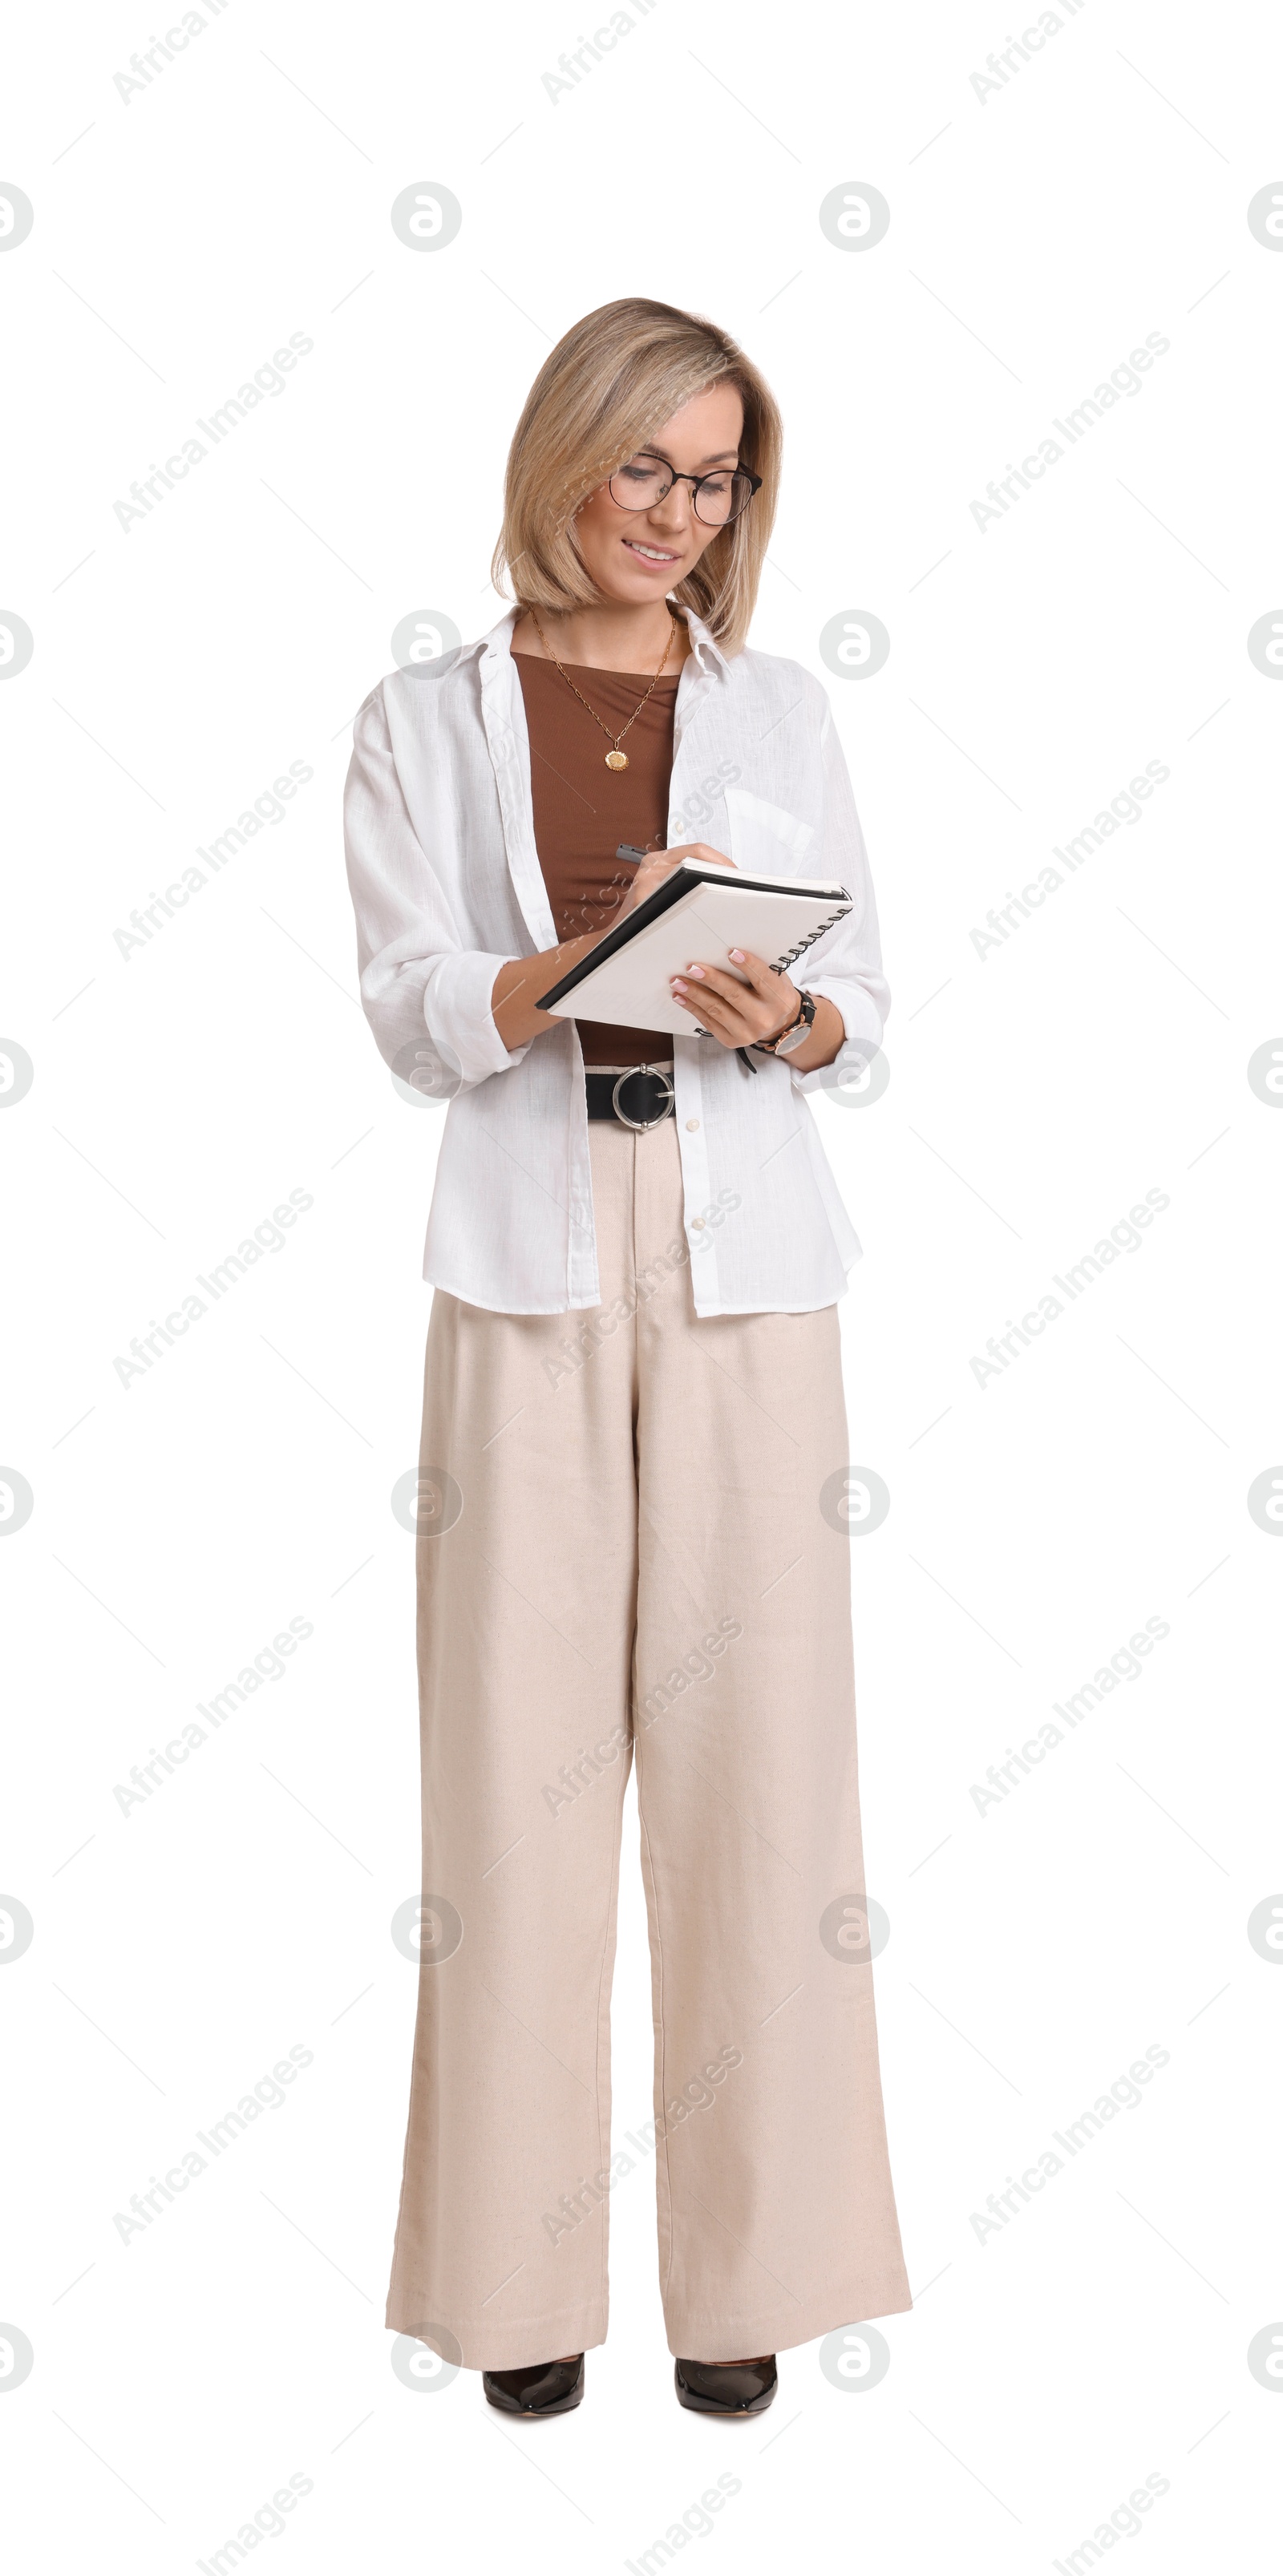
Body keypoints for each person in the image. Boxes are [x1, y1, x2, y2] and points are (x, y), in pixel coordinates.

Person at [343, 297, 911, 2420]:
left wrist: (794, 1015)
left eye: (717, 475)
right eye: (647, 463)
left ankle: (751, 2273)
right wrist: (572, 970)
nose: (679, 511)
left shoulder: (778, 713)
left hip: (751, 1259)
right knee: (515, 1765)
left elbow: (875, 1005)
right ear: (562, 455)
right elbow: (410, 1009)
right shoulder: (423, 717)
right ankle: (516, 2297)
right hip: (526, 1255)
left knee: (767, 1769)